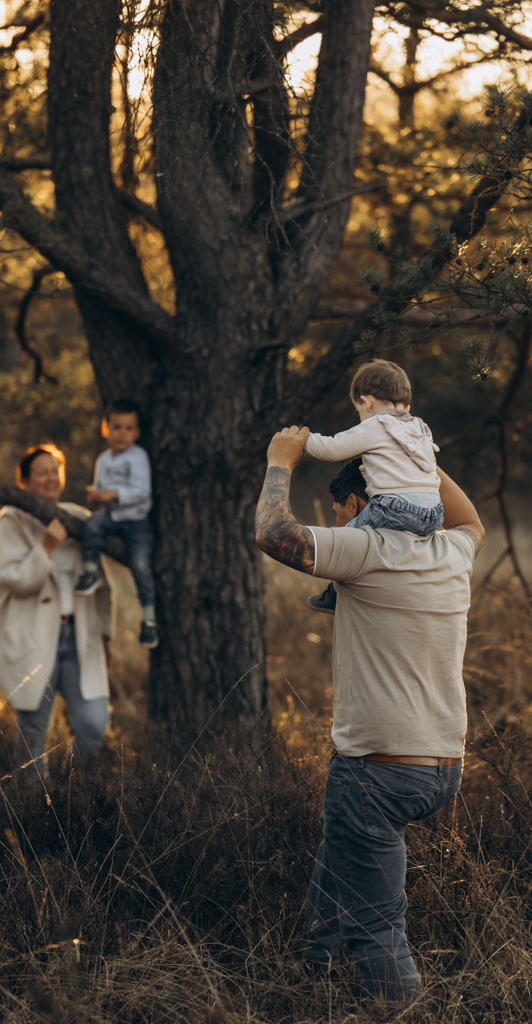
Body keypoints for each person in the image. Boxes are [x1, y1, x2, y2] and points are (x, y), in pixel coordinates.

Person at [255, 425, 484, 1004]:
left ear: (358, 504)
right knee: (338, 867)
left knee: (379, 927)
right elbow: (470, 520)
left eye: (339, 511)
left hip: (376, 770)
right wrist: (411, 447)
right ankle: (309, 982)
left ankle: (403, 1012)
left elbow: (272, 532)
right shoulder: (453, 550)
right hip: (442, 767)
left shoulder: (365, 549)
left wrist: (281, 461)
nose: (338, 523)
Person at [0, 444, 112, 782]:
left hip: (80, 637)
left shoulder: (78, 518)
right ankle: (35, 808)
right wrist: (46, 549)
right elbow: (15, 581)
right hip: (35, 637)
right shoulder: (12, 523)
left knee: (93, 724)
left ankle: (70, 792)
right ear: (24, 481)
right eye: (42, 472)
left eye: (56, 470)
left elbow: (103, 584)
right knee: (34, 730)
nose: (51, 477)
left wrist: (106, 633)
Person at [304, 359, 442, 613]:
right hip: (433, 514)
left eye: (359, 410)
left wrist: (303, 438)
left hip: (394, 508)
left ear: (366, 403)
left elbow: (332, 448)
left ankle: (334, 594)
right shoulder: (420, 427)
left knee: (346, 541)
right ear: (407, 405)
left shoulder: (376, 425)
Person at [75, 399, 158, 649]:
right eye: (117, 427)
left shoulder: (138, 457)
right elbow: (99, 489)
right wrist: (96, 495)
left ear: (137, 433)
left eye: (128, 428)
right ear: (106, 429)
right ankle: (90, 572)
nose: (122, 433)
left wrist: (112, 494)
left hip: (136, 521)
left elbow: (142, 491)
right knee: (92, 525)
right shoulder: (104, 460)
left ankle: (149, 618)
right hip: (111, 517)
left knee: (141, 565)